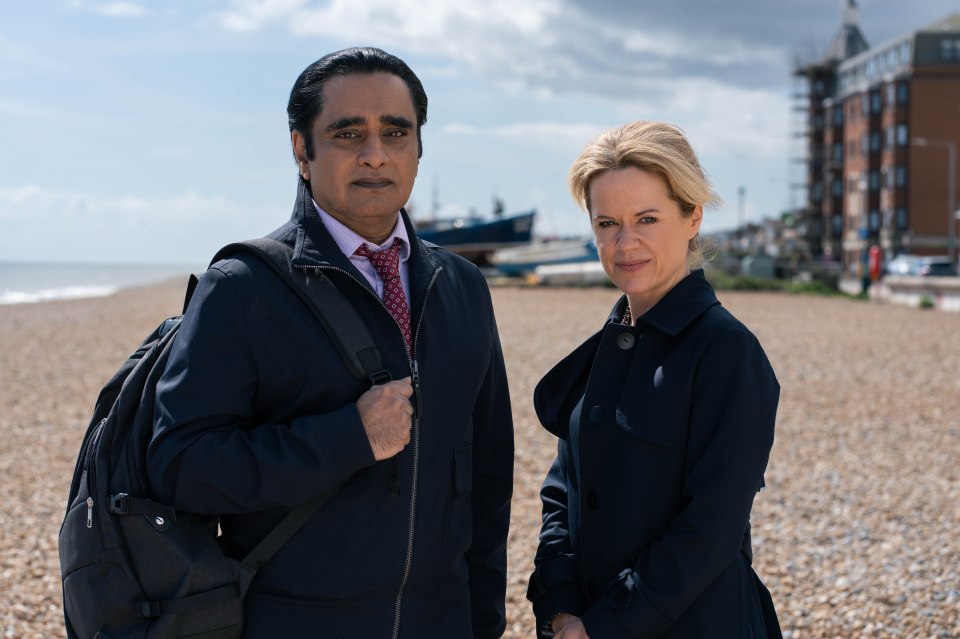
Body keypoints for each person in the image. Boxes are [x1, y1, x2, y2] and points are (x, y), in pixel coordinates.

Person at [147, 47, 514, 638]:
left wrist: (482, 620)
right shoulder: (243, 289)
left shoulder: (462, 286)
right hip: (294, 621)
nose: (375, 154)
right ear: (302, 150)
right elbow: (181, 467)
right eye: (347, 133)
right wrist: (347, 439)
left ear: (418, 146)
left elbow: (490, 476)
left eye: (396, 132)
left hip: (441, 621)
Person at [526, 121, 781, 638]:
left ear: (692, 217)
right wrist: (559, 605)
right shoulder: (613, 340)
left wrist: (601, 626)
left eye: (647, 218)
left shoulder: (727, 352)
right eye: (606, 223)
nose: (625, 243)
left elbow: (708, 531)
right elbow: (562, 494)